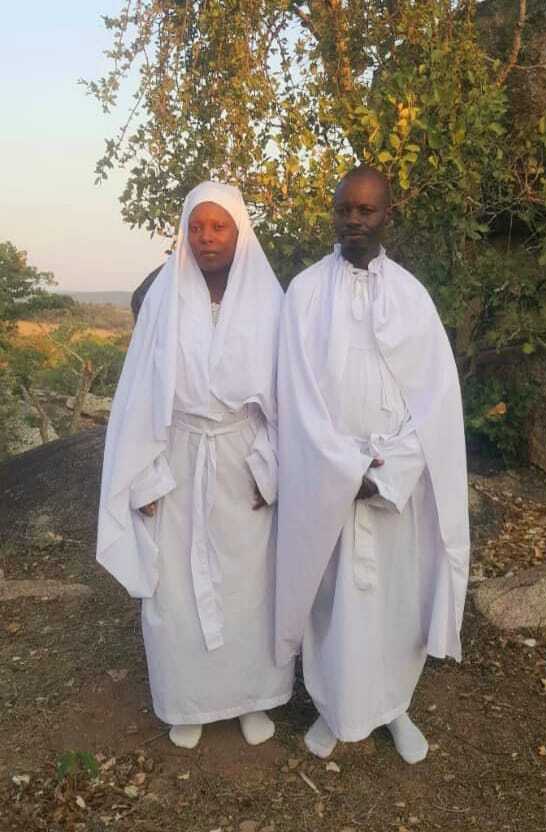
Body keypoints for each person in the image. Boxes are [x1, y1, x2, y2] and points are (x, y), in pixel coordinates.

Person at [275, 166, 469, 761]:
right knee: (329, 593)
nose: (354, 220)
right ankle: (334, 708)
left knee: (396, 593)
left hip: (392, 479)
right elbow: (295, 393)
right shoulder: (305, 293)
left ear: (388, 215)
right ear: (332, 213)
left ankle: (394, 706)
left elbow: (436, 401)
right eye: (345, 209)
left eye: (366, 210)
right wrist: (341, 469)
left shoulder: (411, 297)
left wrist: (385, 471)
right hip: (328, 475)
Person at [97, 182, 294, 750]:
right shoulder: (165, 299)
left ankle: (253, 697)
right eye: (196, 227)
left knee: (250, 584)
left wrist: (271, 467)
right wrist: (142, 476)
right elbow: (140, 394)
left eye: (219, 226)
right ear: (184, 233)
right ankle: (187, 699)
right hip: (179, 456)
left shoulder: (269, 301)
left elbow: (286, 396)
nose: (207, 237)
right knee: (175, 587)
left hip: (242, 458)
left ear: (239, 232)